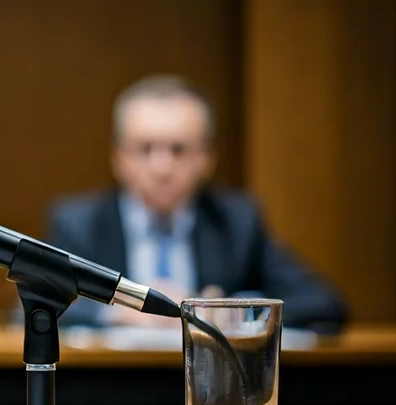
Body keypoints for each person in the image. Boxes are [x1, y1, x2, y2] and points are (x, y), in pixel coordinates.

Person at [48, 74, 348, 333]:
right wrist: (118, 312)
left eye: (179, 149)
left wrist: (230, 312)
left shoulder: (236, 222)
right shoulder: (79, 224)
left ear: (207, 159)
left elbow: (321, 303)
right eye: (145, 148)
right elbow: (38, 306)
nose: (162, 167)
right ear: (118, 157)